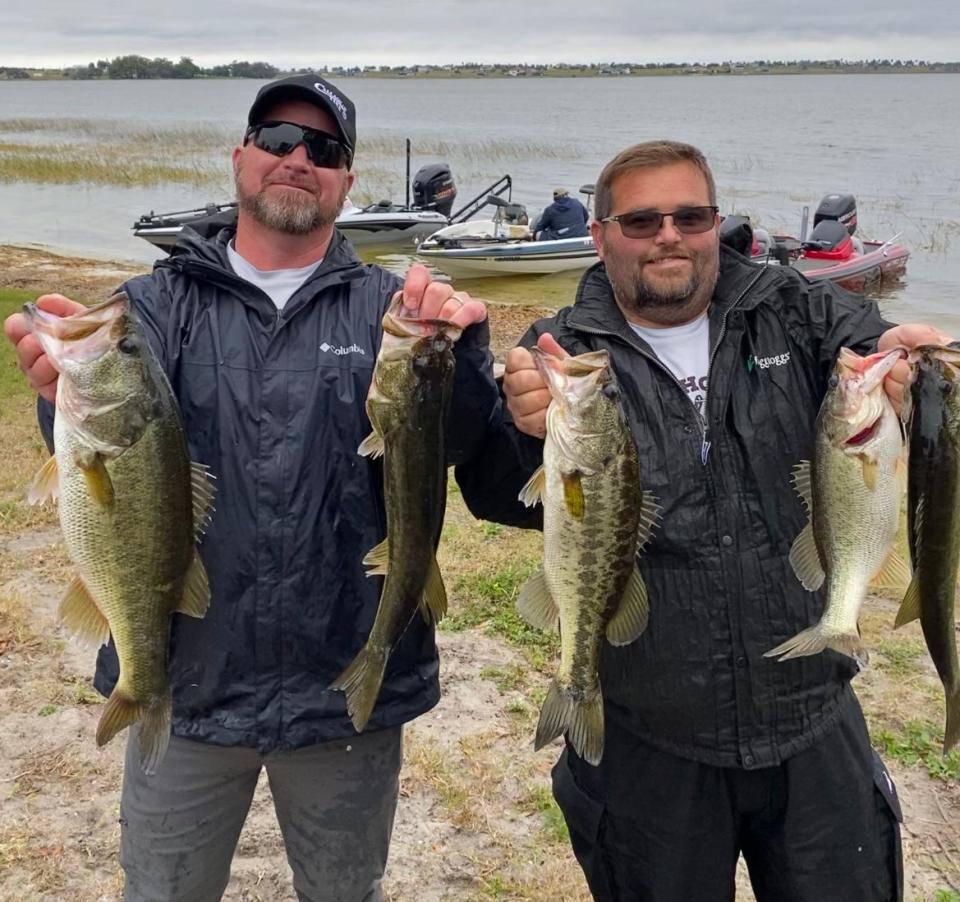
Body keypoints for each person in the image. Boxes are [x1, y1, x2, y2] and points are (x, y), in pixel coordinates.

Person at [4, 72, 498, 902]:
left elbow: (453, 450)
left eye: (323, 149)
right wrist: (61, 401)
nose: (296, 158)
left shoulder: (394, 314)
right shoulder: (150, 310)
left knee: (346, 890)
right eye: (276, 140)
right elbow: (112, 472)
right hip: (188, 681)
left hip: (343, 696)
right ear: (240, 158)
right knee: (161, 889)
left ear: (346, 179)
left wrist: (462, 357)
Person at [455, 140, 950, 902]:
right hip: (648, 742)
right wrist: (520, 432)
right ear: (599, 235)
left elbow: (858, 329)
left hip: (812, 720)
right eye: (642, 219)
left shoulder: (788, 307)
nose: (669, 235)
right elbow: (494, 495)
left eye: (691, 216)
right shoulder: (563, 352)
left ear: (715, 223)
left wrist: (894, 350)